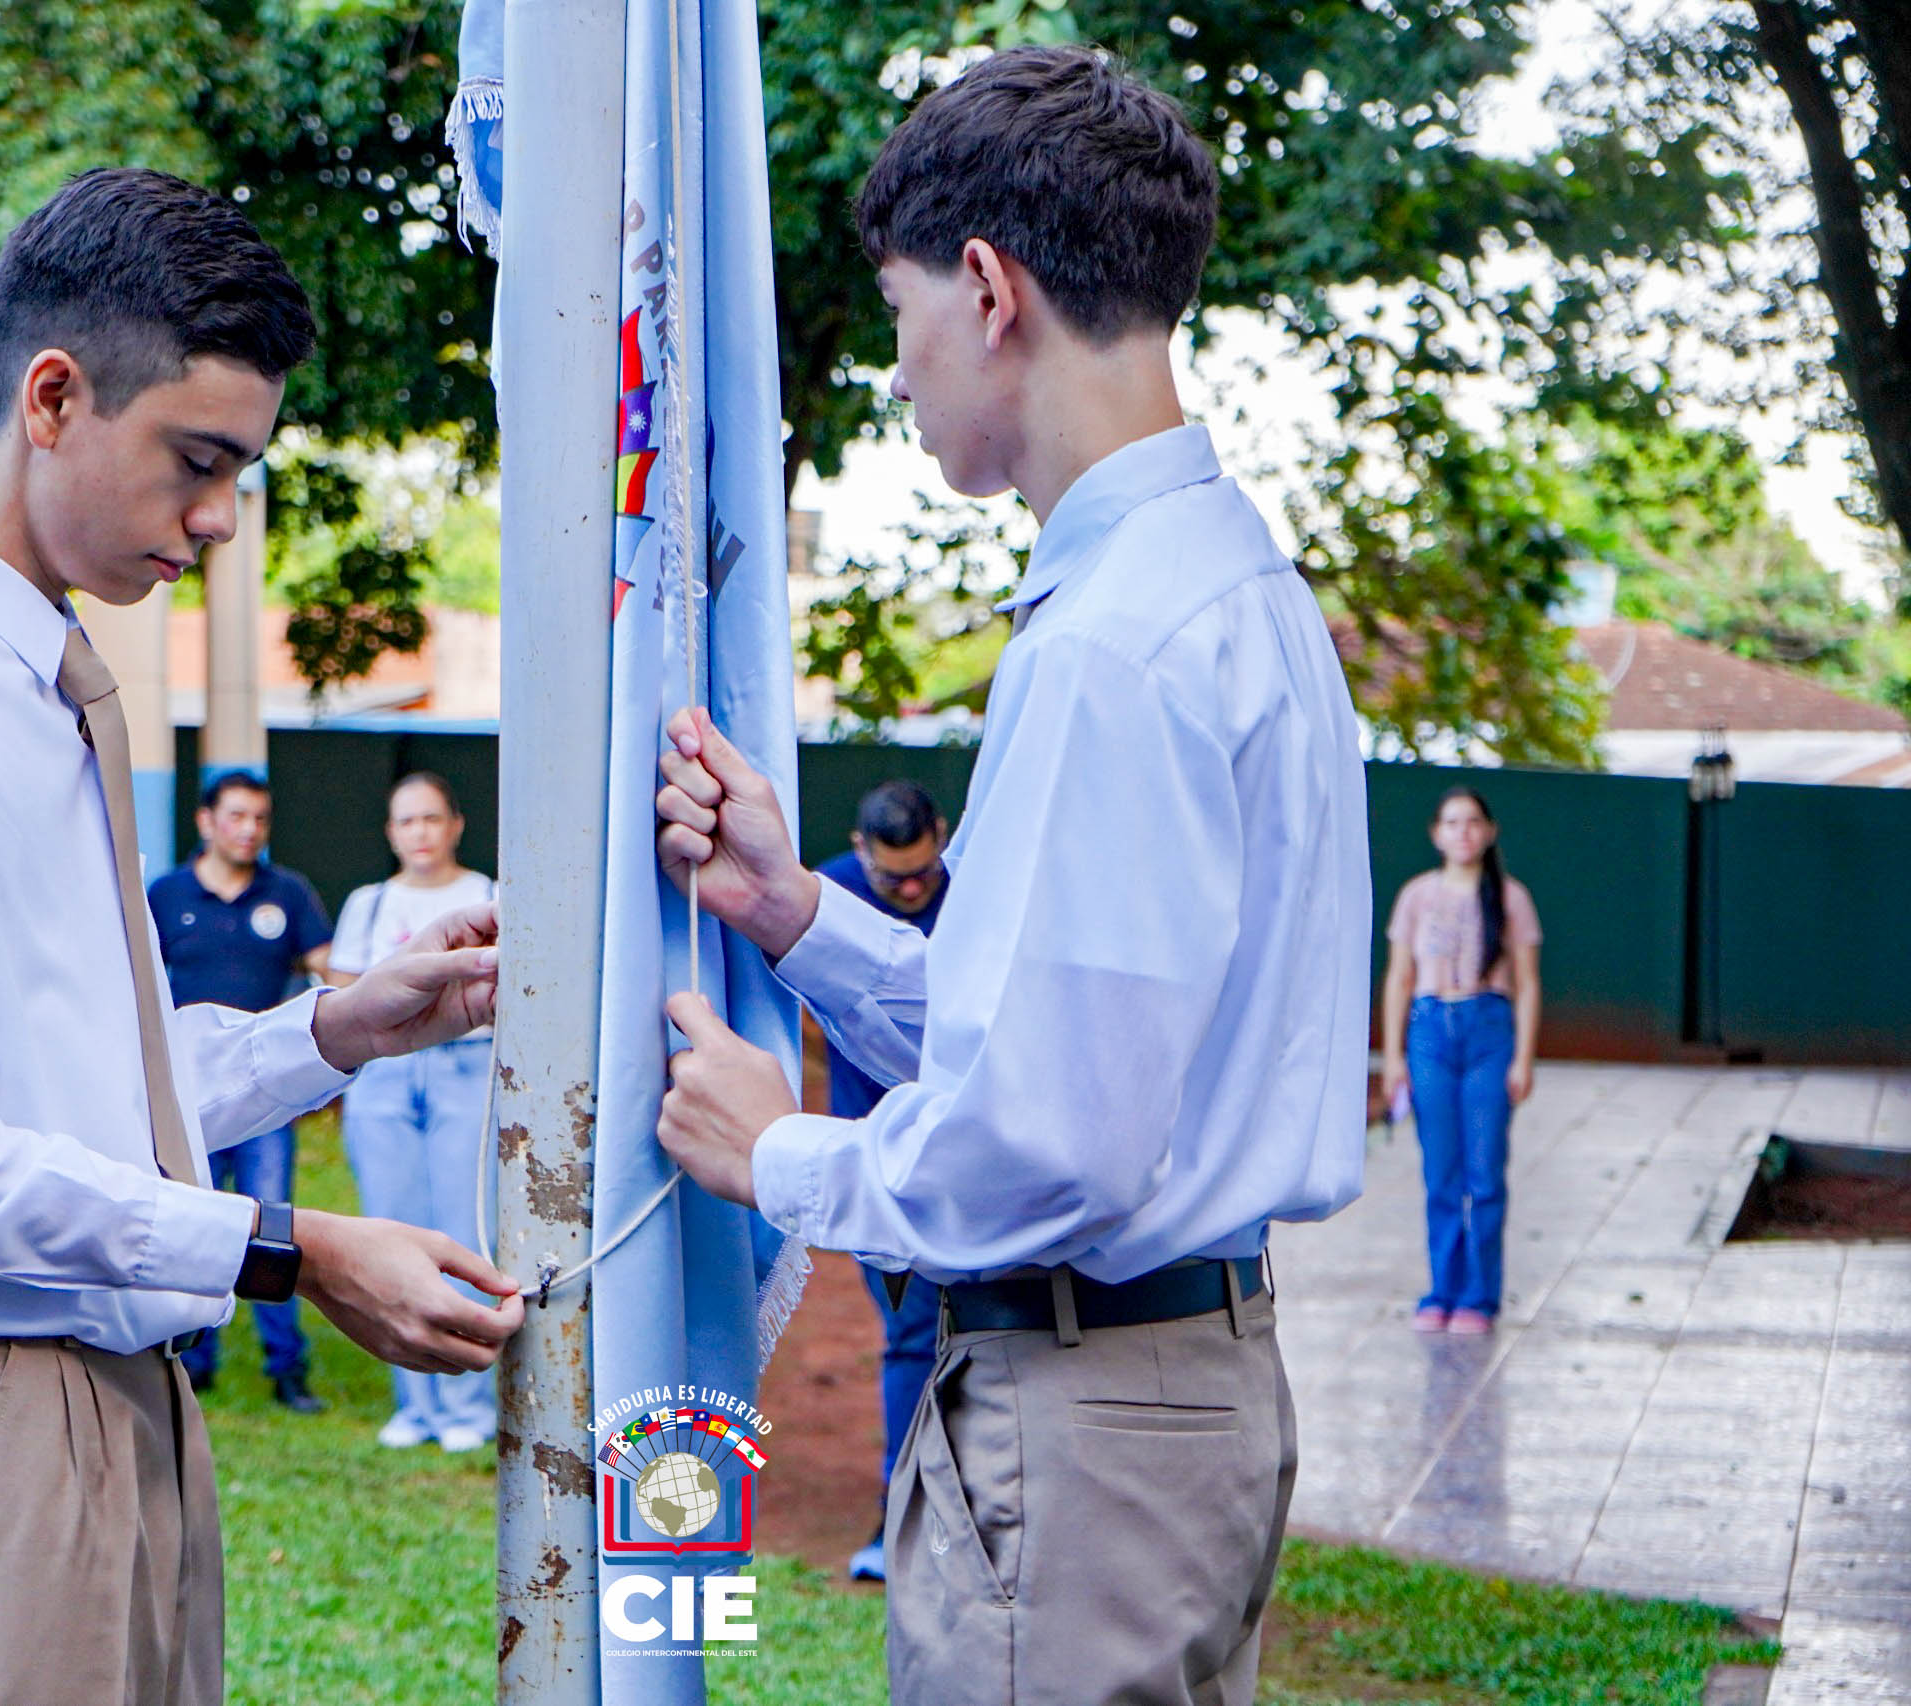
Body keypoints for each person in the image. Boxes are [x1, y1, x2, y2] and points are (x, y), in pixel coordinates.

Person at [0, 167, 523, 1706]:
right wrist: (297, 1249)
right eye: (197, 460)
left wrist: (341, 1027)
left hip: (123, 1400)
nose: (219, 519)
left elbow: (93, 1102)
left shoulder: (54, 687)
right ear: (54, 394)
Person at [647, 49, 1370, 1705]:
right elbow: (1064, 1042)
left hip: (1091, 1412)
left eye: (900, 314)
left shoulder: (1118, 637)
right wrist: (797, 913)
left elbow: (1051, 1143)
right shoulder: (1229, 585)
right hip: (1183, 1387)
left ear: (987, 289)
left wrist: (786, 1155)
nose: (898, 373)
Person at [324, 772, 500, 1454]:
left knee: (465, 1227)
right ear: (390, 833)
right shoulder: (369, 904)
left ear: (455, 824)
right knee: (390, 1224)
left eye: (432, 818)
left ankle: (467, 1399)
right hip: (386, 1076)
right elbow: (340, 990)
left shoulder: (486, 893)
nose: (420, 832)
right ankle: (416, 1403)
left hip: (470, 1066)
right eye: (406, 821)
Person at [147, 768, 334, 1407]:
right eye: (236, 816)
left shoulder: (289, 893)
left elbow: (330, 971)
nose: (249, 829)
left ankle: (288, 1370)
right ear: (205, 822)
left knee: (272, 1226)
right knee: (192, 1220)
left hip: (267, 1092)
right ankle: (191, 1361)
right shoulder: (165, 895)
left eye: (260, 818)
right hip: (186, 1094)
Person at [815, 779, 951, 1584]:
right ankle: (901, 1516)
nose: (907, 891)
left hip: (974, 1153)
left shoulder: (973, 892)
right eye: (891, 878)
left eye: (921, 875)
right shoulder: (829, 892)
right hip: (877, 1159)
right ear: (862, 851)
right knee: (909, 1333)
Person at [1378, 788, 1543, 1336]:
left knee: (1485, 1170)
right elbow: (1399, 977)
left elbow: (1527, 982)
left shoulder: (1510, 897)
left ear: (1490, 831)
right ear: (1436, 833)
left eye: (1473, 822)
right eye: (1452, 822)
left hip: (1488, 1032)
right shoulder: (1416, 896)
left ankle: (1479, 1296)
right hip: (1429, 1032)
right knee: (1440, 1171)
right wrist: (1393, 1055)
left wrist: (1523, 1056)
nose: (1463, 832)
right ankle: (1441, 1290)